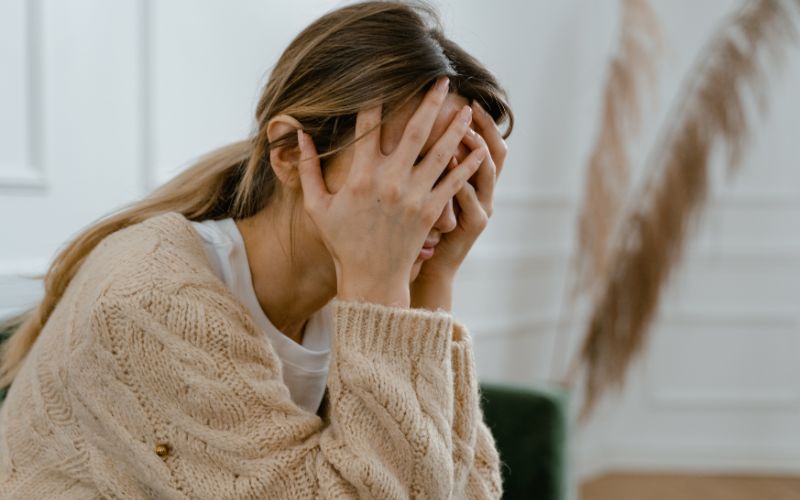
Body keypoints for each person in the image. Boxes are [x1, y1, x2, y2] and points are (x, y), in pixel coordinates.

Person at [0, 1, 513, 497]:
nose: (440, 215)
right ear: (290, 153)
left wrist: (432, 283)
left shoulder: (360, 289)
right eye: (411, 169)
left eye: (457, 178)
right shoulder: (150, 300)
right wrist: (387, 292)